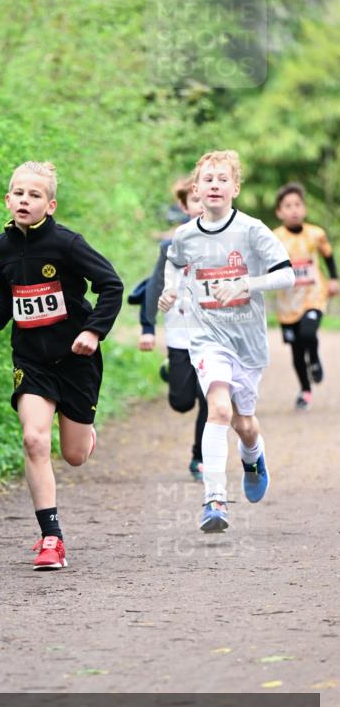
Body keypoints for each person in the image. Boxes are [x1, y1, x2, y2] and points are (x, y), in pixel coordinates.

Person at [0, 161, 123, 569]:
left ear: (49, 205)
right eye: (19, 193)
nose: (25, 200)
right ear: (8, 199)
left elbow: (111, 285)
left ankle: (85, 436)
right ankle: (51, 538)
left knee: (73, 455)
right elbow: (9, 297)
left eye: (35, 195)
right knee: (34, 440)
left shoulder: (68, 245)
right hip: (32, 359)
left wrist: (93, 332)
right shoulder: (2, 248)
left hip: (76, 358)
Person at [158, 150, 295, 533]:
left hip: (247, 343)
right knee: (217, 409)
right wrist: (170, 291)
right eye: (208, 179)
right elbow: (173, 261)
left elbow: (285, 275)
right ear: (196, 189)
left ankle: (253, 459)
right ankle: (214, 499)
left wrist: (245, 283)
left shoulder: (252, 230)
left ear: (235, 187)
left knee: (244, 423)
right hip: (207, 339)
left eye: (222, 179)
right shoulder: (185, 234)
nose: (215, 185)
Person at [143, 175, 208, 482]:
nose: (201, 204)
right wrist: (147, 326)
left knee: (209, 396)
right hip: (180, 330)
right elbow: (156, 283)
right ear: (184, 205)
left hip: (214, 333)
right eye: (194, 199)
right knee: (182, 402)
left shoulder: (227, 240)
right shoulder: (171, 244)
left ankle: (199, 457)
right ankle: (174, 369)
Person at [273, 181, 338, 410]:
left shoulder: (316, 234)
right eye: (288, 206)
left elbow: (328, 256)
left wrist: (333, 279)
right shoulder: (275, 237)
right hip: (288, 302)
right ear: (279, 212)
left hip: (314, 294)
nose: (293, 210)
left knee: (308, 332)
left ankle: (316, 358)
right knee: (296, 350)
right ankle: (305, 390)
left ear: (304, 209)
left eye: (297, 204)